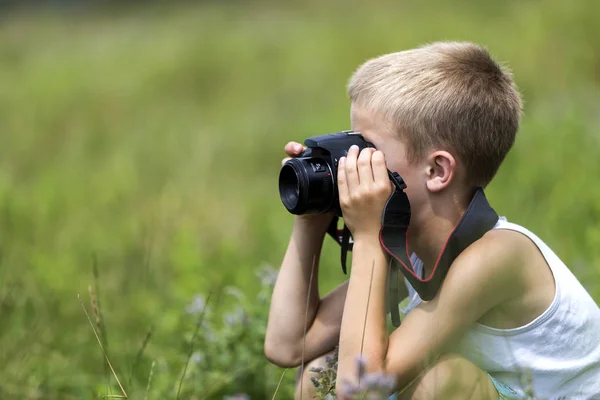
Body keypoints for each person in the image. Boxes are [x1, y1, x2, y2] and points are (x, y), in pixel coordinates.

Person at [264, 41, 600, 399]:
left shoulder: (500, 256)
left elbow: (359, 386)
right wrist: (311, 218)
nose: (351, 163)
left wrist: (367, 236)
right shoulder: (412, 252)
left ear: (437, 170)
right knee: (316, 379)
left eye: (367, 148)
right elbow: (289, 346)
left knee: (439, 382)